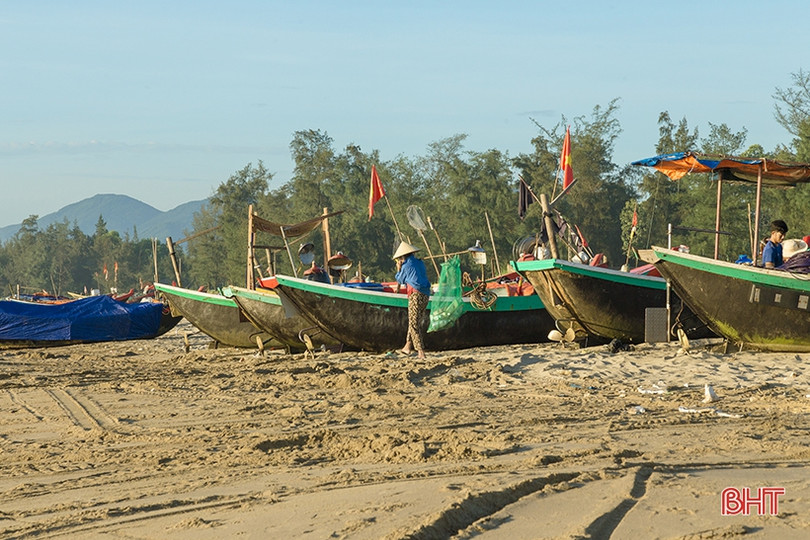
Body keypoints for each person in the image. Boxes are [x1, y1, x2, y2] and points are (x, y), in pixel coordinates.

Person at [393, 241, 431, 359]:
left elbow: (400, 279)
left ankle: (420, 351)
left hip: (415, 294)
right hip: (425, 294)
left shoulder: (406, 266)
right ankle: (407, 346)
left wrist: (399, 269)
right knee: (414, 320)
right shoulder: (420, 263)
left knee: (414, 323)